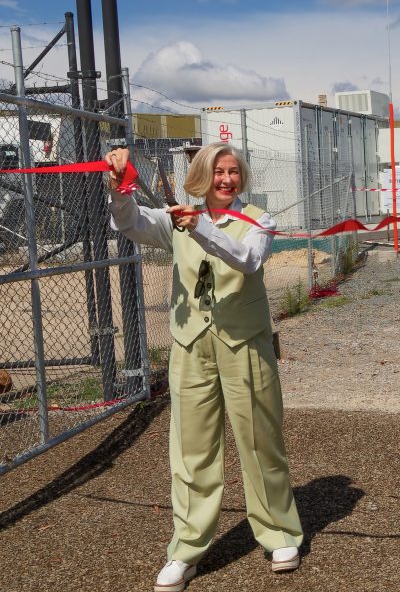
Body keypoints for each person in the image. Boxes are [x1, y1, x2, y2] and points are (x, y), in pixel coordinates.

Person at [105, 143, 304, 592]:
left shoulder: (258, 219)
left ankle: (279, 532)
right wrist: (120, 188)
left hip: (244, 343)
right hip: (190, 342)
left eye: (234, 172)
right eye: (218, 172)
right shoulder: (177, 216)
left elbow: (248, 259)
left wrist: (200, 230)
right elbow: (130, 222)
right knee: (191, 451)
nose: (227, 180)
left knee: (260, 440)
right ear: (201, 175)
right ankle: (187, 548)